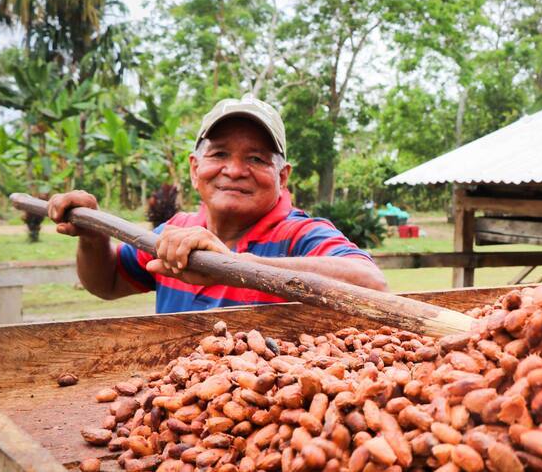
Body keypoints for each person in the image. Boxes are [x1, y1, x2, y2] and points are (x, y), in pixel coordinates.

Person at [47, 94, 387, 313]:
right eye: (219, 154)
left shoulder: (300, 235)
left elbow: (372, 283)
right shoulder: (173, 234)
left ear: (282, 177)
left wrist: (238, 267)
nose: (235, 170)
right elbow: (106, 284)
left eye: (256, 158)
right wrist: (93, 238)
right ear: (196, 170)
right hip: (179, 408)